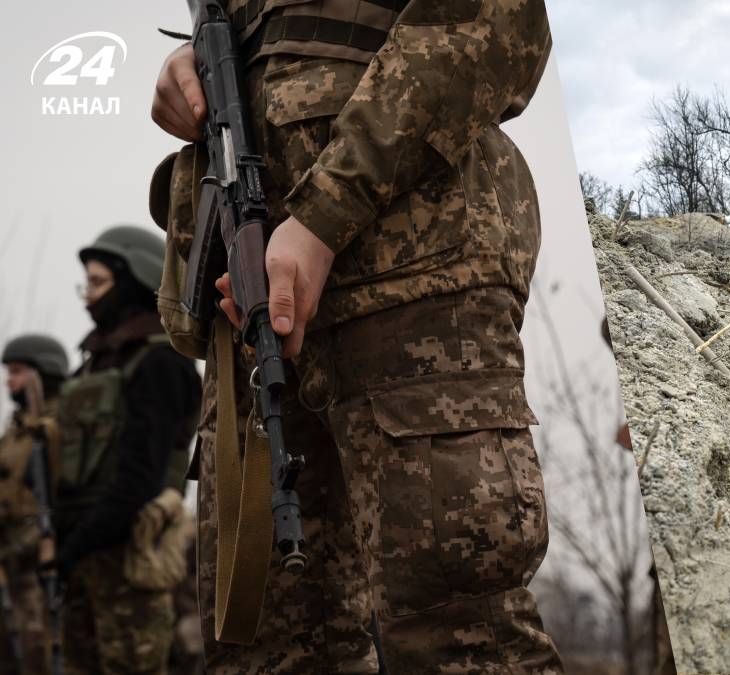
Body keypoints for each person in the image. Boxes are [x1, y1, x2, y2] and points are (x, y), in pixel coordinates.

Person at [150, 0, 561, 672]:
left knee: (456, 633)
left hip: (410, 263)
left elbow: (497, 22)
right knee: (262, 645)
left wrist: (321, 218)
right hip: (250, 286)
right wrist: (198, 62)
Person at [54, 225, 202, 674]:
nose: (88, 298)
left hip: (130, 556)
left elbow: (140, 476)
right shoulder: (94, 364)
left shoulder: (159, 359)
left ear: (135, 277)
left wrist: (76, 545)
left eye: (97, 284)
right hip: (85, 555)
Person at [0, 334, 69, 675]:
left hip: (40, 566)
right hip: (9, 561)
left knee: (40, 654)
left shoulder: (57, 427)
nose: (9, 380)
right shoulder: (14, 432)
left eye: (17, 371)